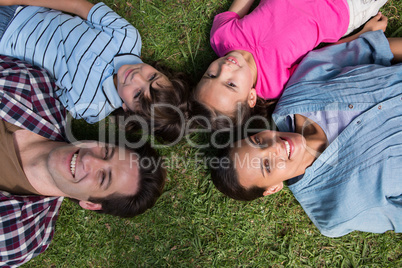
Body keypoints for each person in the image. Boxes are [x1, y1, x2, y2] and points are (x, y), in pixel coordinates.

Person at [210, 30, 402, 237]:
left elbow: (373, 49)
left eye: (258, 141)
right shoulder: (337, 212)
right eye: (267, 165)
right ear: (273, 188)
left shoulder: (300, 88)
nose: (274, 147)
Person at [0, 55, 166, 266]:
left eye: (103, 177)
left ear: (90, 204)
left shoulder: (21, 235)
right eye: (106, 152)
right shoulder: (33, 88)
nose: (90, 159)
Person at [0, 0, 188, 142]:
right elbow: (76, 5)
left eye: (138, 94)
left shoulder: (92, 107)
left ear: (127, 110)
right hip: (22, 12)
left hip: (5, 54)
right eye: (152, 76)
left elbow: (40, 92)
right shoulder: (126, 37)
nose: (137, 76)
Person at [190, 0, 388, 129]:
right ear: (251, 97)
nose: (224, 69)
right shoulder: (274, 85)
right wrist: (363, 35)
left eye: (211, 75)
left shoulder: (222, 38)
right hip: (343, 9)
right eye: (231, 84)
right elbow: (322, 57)